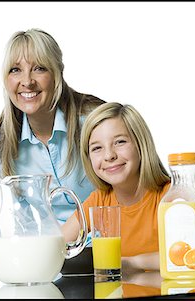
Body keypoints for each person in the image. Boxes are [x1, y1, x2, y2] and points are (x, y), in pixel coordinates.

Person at [0, 28, 105, 224]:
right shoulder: (2, 145)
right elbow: (22, 222)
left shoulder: (94, 120)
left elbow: (128, 194)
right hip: (49, 248)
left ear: (57, 73)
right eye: (15, 70)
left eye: (39, 68)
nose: (27, 81)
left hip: (108, 243)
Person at [61, 102, 171, 271]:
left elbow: (187, 256)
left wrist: (130, 263)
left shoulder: (170, 197)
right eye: (97, 148)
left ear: (141, 145)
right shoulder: (99, 200)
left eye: (119, 142)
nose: (109, 155)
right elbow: (56, 243)